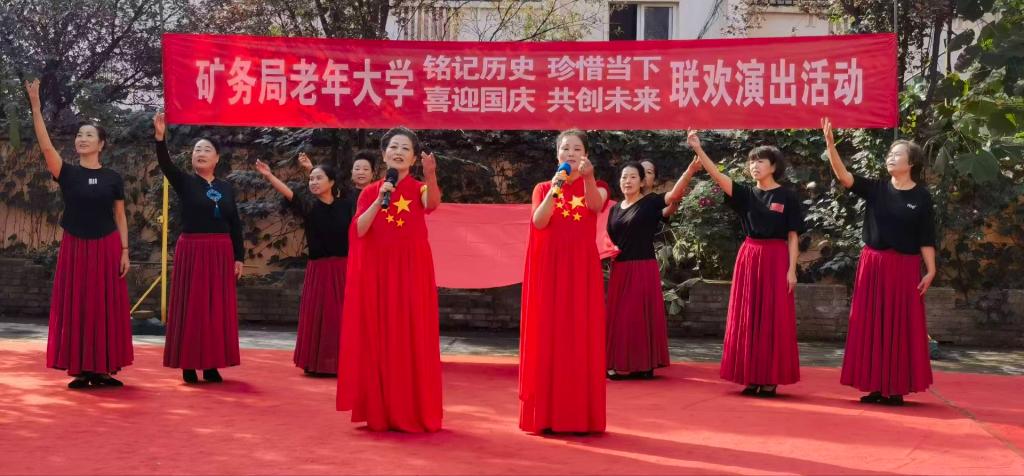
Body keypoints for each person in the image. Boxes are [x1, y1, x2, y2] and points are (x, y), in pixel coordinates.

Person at [822, 117, 936, 406]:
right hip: (873, 265)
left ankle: (895, 388)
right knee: (870, 324)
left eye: (897, 154)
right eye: (889, 154)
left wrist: (931, 270)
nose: (890, 158)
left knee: (900, 326)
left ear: (911, 163)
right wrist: (831, 145)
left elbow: (926, 236)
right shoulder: (876, 189)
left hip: (905, 267)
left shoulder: (922, 197)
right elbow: (844, 176)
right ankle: (874, 385)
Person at [336, 127, 443, 432]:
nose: (398, 152)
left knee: (410, 334)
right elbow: (359, 230)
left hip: (411, 271)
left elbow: (432, 204)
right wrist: (379, 198)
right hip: (378, 273)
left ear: (413, 158)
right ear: (383, 155)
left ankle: (410, 407)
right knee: (380, 336)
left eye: (405, 148)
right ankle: (380, 408)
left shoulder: (419, 188)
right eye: (393, 147)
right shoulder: (371, 191)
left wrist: (431, 174)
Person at [27, 79, 132, 388]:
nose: (82, 139)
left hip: (107, 246)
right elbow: (46, 145)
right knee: (78, 305)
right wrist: (36, 106)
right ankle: (82, 369)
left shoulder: (113, 178)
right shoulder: (67, 172)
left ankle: (103, 369)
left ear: (101, 144)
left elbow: (120, 216)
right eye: (79, 135)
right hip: (75, 245)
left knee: (105, 306)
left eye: (89, 135)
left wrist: (125, 251)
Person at [689, 130, 804, 397]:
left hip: (776, 258)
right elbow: (717, 177)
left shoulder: (787, 196)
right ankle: (750, 375)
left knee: (773, 317)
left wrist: (792, 269)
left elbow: (792, 236)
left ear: (773, 166)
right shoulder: (746, 194)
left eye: (760, 161)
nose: (755, 166)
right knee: (748, 315)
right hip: (750, 257)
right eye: (752, 161)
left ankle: (770, 377)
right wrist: (698, 148)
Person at [519, 129, 610, 434]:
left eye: (576, 148)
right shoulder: (543, 187)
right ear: (557, 153)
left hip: (581, 270)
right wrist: (555, 187)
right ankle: (544, 414)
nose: (570, 153)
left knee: (579, 335)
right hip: (549, 269)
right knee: (548, 334)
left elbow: (595, 206)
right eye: (565, 148)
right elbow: (539, 221)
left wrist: (588, 177)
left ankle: (578, 414)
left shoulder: (597, 186)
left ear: (586, 154)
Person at [153, 112, 244, 384]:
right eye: (196, 150)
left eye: (206, 150)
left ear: (217, 158)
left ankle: (212, 364)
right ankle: (189, 363)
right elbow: (166, 164)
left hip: (220, 252)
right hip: (192, 250)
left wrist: (239, 257)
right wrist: (160, 138)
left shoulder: (226, 188)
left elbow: (235, 222)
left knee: (215, 309)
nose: (200, 154)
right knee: (192, 308)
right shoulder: (185, 182)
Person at [255, 155, 352, 376]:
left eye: (319, 178)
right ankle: (317, 363)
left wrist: (311, 167)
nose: (313, 182)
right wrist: (269, 175)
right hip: (319, 270)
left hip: (344, 270)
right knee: (320, 317)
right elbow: (288, 193)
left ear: (332, 182)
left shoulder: (346, 205)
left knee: (342, 318)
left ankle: (343, 363)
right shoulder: (309, 207)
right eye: (311, 179)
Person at [606, 158, 701, 380]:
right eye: (624, 177)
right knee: (618, 319)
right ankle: (619, 362)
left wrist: (689, 170)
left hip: (642, 268)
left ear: (642, 182)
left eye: (633, 177)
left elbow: (673, 196)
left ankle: (643, 364)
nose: (627, 181)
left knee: (635, 317)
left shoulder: (650, 203)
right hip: (619, 269)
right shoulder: (614, 209)